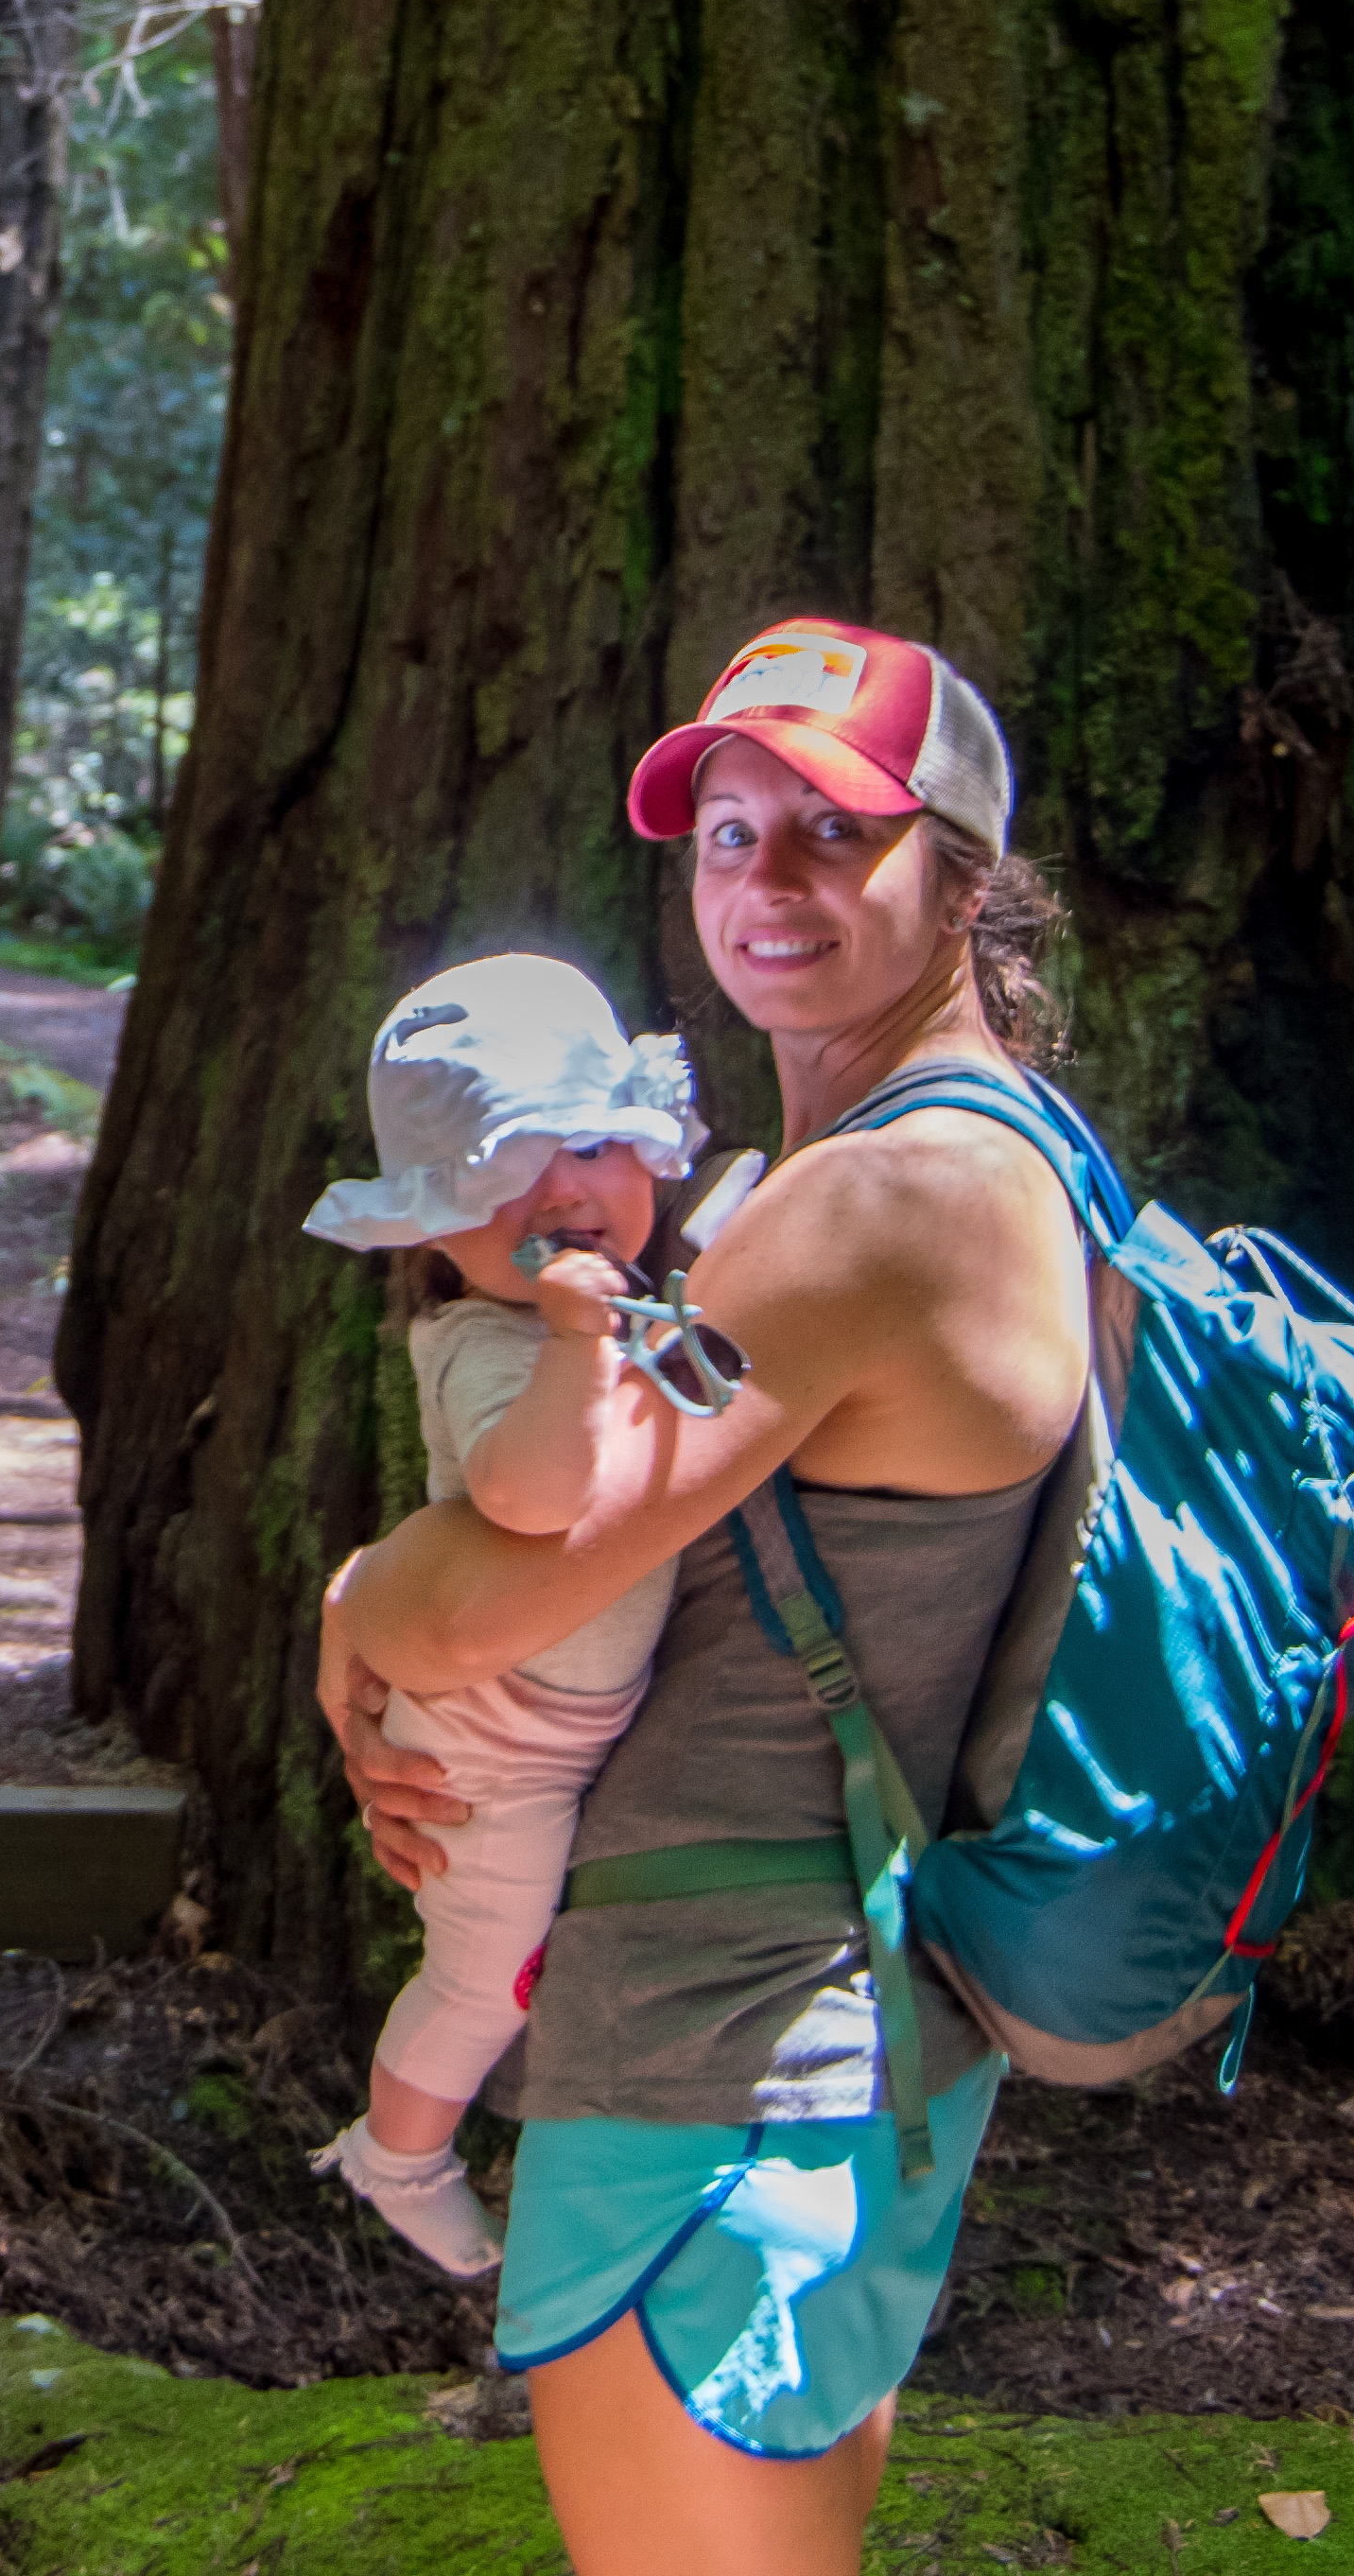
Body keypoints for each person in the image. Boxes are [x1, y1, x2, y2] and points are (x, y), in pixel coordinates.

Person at [317, 618, 1095, 2573]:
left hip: (726, 2062)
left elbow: (492, 1590)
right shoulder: (962, 1157)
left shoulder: (876, 1200)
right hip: (814, 2037)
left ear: (964, 874)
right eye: (730, 831)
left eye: (836, 831)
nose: (769, 878)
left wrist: (353, 1603)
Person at [290, 949, 711, 2274]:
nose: (565, 1190)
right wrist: (583, 1348)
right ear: (435, 1225)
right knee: (485, 1975)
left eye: (592, 1141)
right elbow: (533, 1506)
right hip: (493, 1749)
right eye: (505, 1165)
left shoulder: (632, 1306)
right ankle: (397, 2155)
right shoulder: (489, 1345)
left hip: (578, 1726)